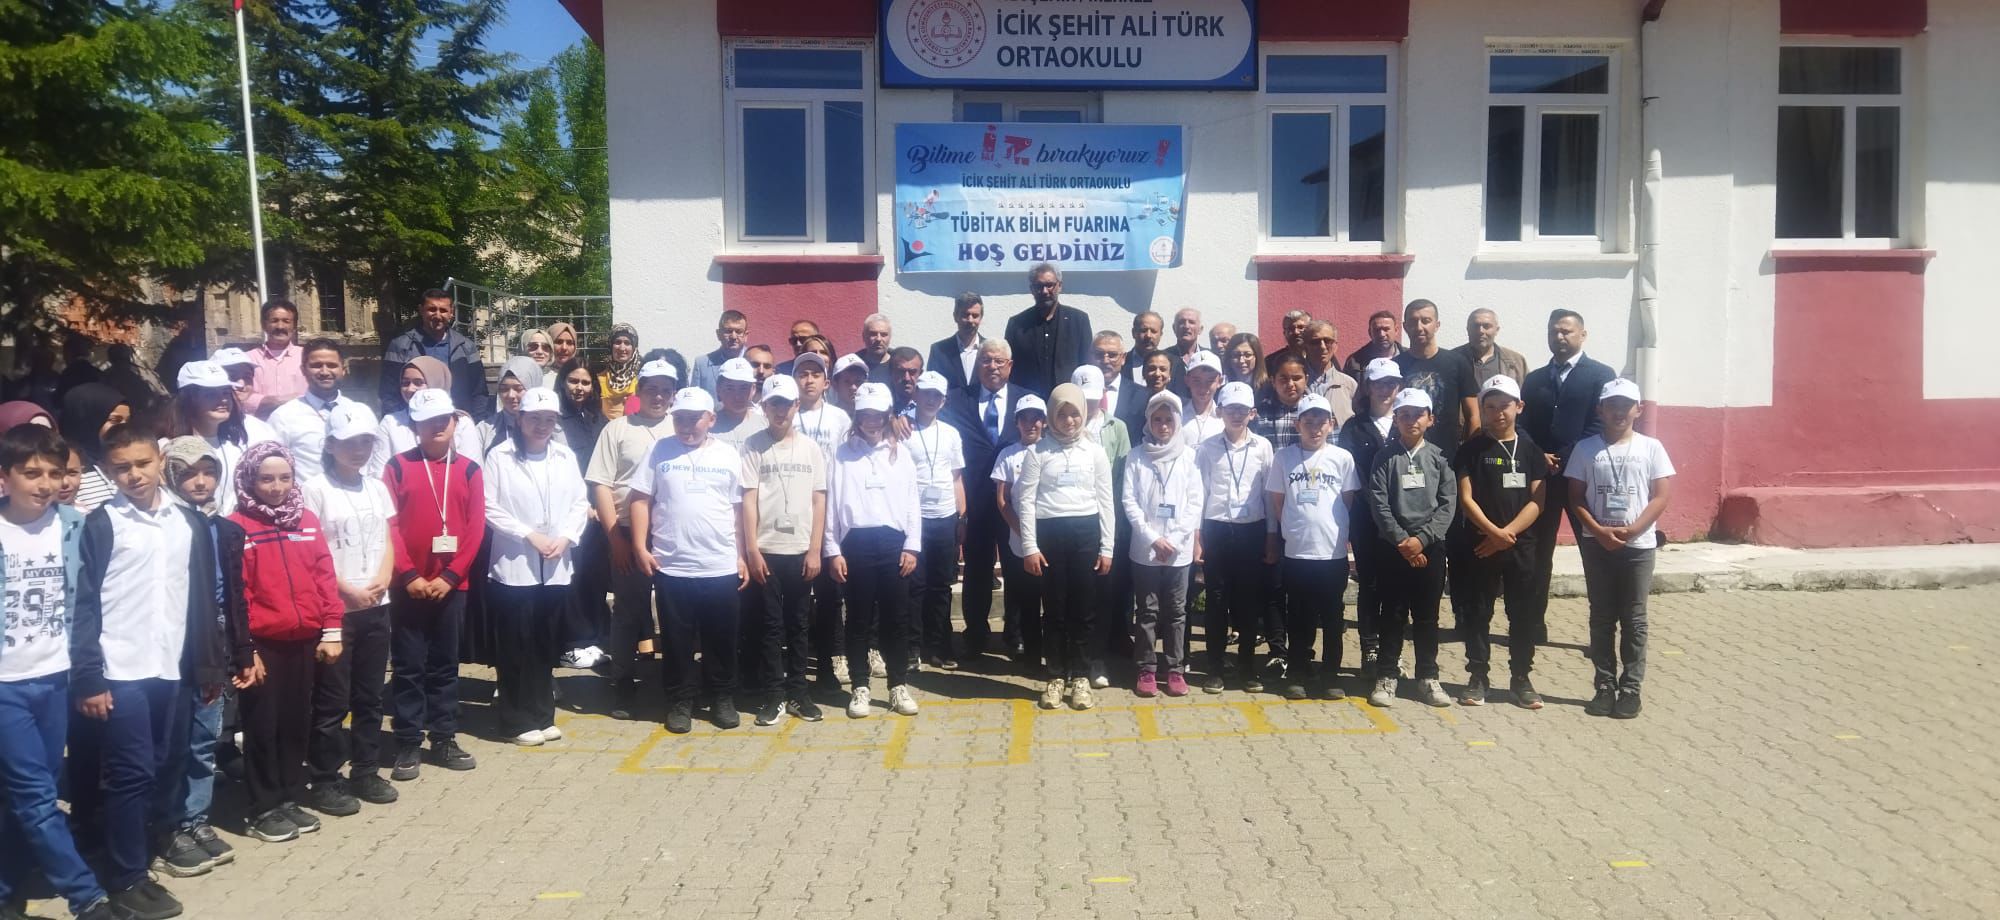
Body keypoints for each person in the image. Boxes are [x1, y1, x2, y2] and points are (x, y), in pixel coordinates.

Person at [69, 424, 235, 919]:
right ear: (108, 471)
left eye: (142, 463)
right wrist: (89, 675)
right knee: (130, 772)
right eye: (122, 467)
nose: (134, 475)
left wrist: (209, 665)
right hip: (121, 668)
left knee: (166, 761)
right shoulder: (102, 524)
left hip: (172, 667)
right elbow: (84, 605)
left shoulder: (187, 522)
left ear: (160, 462)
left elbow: (201, 599)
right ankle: (126, 877)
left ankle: (146, 847)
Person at [0, 426, 125, 920]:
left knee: (29, 794)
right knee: (36, 797)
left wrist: (88, 673)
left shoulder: (74, 525)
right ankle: (87, 898)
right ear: (4, 477)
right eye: (31, 473)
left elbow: (89, 604)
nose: (46, 483)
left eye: (55, 473)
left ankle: (5, 889)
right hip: (5, 685)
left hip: (55, 679)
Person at [228, 443, 347, 842]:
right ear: (249, 480)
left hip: (304, 639)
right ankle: (262, 808)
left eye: (284, 477)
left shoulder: (306, 520)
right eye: (266, 479)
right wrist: (247, 649)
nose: (276, 487)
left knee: (297, 723)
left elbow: (323, 576)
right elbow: (237, 594)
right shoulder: (236, 526)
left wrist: (331, 629)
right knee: (263, 726)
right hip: (263, 645)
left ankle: (288, 797)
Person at [151, 437, 257, 878]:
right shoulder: (163, 524)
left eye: (208, 472)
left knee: (203, 739)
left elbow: (234, 595)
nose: (200, 481)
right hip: (176, 646)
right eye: (188, 472)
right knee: (170, 743)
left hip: (215, 644)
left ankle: (194, 819)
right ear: (169, 475)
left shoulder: (225, 529)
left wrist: (242, 650)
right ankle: (165, 829)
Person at [629, 387, 751, 733]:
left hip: (719, 565)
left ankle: (722, 697)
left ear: (710, 419)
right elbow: (640, 499)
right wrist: (639, 546)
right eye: (679, 418)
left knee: (721, 639)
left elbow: (737, 509)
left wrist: (741, 555)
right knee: (676, 640)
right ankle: (680, 701)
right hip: (673, 565)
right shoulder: (659, 450)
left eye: (694, 419)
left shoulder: (728, 454)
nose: (685, 425)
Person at [298, 404, 400, 812]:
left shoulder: (376, 486)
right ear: (330, 445)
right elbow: (314, 550)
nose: (358, 450)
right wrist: (347, 591)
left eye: (365, 442)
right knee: (332, 699)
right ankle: (324, 777)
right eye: (349, 443)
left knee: (370, 696)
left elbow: (387, 537)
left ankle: (366, 770)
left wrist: (385, 577)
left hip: (376, 605)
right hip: (336, 610)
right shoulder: (314, 489)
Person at [380, 389, 484, 780]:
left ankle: (444, 737)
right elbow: (390, 524)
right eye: (428, 421)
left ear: (455, 423)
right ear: (415, 426)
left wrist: (451, 576)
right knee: (408, 667)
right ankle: (408, 741)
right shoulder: (397, 467)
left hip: (451, 587)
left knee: (445, 665)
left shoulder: (470, 470)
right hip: (408, 586)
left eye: (444, 419)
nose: (437, 426)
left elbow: (475, 528)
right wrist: (408, 574)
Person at [482, 388, 589, 746]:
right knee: (515, 645)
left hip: (555, 564)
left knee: (544, 643)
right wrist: (528, 535)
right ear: (519, 419)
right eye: (534, 419)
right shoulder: (500, 456)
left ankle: (543, 715)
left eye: (549, 419)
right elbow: (489, 506)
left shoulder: (564, 456)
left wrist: (567, 537)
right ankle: (515, 721)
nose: (542, 425)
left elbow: (579, 502)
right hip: (514, 567)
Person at [1567, 379, 1674, 720]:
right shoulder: (1585, 449)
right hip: (1597, 544)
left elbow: (1661, 496)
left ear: (1638, 410)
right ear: (1600, 409)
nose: (1619, 412)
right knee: (1601, 617)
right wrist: (1598, 531)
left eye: (1626, 406)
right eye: (1612, 405)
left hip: (1637, 546)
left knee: (1634, 618)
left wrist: (1635, 529)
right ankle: (1604, 685)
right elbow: (1575, 497)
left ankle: (1631, 689)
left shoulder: (1651, 448)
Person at [584, 360, 678, 719]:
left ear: (673, 394)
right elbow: (601, 486)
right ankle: (622, 681)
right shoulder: (618, 429)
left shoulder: (681, 426)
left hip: (672, 534)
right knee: (627, 610)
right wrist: (616, 541)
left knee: (675, 610)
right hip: (625, 532)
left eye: (666, 390)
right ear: (639, 391)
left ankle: (675, 680)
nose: (659, 396)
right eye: (652, 388)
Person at [1449, 375, 1549, 708]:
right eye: (1490, 406)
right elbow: (1466, 499)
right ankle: (1478, 677)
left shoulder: (1531, 450)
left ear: (1519, 406)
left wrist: (1508, 535)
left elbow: (1537, 501)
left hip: (1521, 546)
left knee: (1522, 614)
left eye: (1505, 405)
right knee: (1478, 612)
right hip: (1481, 545)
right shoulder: (1471, 449)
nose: (1498, 413)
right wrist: (1493, 533)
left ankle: (1521, 678)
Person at [824, 383, 921, 719]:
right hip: (856, 544)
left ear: (888, 415)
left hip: (894, 544)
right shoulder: (841, 454)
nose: (871, 421)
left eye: (878, 415)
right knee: (858, 619)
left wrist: (912, 545)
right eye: (865, 415)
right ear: (857, 416)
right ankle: (860, 686)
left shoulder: (901, 454)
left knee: (897, 619)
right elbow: (831, 506)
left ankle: (897, 685)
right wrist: (832, 549)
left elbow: (912, 502)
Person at [1017, 383, 1115, 711]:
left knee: (1084, 610)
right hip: (1050, 536)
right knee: (1055, 610)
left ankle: (1081, 677)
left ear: (1083, 414)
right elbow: (1026, 501)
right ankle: (1056, 675)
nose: (1069, 420)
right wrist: (1030, 547)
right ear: (1051, 416)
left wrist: (1107, 547)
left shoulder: (1095, 452)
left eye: (1075, 413)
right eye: (1062, 414)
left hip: (1086, 535)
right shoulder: (1038, 452)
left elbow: (1106, 501)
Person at [739, 375, 827, 725]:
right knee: (771, 626)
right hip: (767, 550)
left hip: (801, 550)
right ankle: (773, 695)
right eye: (773, 404)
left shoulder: (811, 448)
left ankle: (798, 694)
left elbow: (819, 500)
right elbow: (748, 501)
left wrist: (815, 549)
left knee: (799, 625)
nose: (780, 411)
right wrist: (752, 550)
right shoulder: (753, 446)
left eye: (786, 404)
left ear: (796, 406)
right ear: (764, 406)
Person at [1263, 393, 1362, 701]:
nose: (1315, 427)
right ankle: (1297, 671)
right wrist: (1294, 528)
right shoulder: (1284, 458)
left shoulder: (1342, 458)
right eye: (1308, 421)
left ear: (1331, 424)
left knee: (1332, 617)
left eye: (1321, 421)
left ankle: (1330, 675)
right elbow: (1278, 502)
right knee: (1299, 616)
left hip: (1331, 552)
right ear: (1298, 425)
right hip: (1297, 552)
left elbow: (1347, 501)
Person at [1365, 389, 1457, 709]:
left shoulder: (1440, 458)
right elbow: (1378, 503)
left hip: (1430, 548)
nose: (1411, 420)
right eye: (1404, 414)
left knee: (1427, 615)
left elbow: (1447, 503)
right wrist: (1402, 540)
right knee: (1392, 614)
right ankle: (1387, 675)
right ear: (1396, 419)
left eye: (1418, 414)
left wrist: (1423, 539)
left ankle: (1428, 676)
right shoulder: (1384, 457)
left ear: (1430, 419)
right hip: (1393, 548)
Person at [1521, 309, 1617, 613]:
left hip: (1582, 478)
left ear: (1582, 335)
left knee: (1593, 550)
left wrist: (1563, 457)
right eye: (1554, 332)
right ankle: (1532, 623)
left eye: (1566, 331)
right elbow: (1522, 423)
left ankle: (1603, 623)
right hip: (1543, 479)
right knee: (1538, 552)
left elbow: (1599, 423)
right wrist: (1538, 454)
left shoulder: (1601, 375)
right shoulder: (1535, 379)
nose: (1559, 337)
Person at [943, 341, 1024, 660]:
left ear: (1010, 365)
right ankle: (975, 633)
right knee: (976, 570)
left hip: (1013, 503)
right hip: (974, 501)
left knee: (1016, 568)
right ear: (977, 365)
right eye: (986, 360)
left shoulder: (1025, 400)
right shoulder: (956, 399)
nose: (993, 366)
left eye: (999, 361)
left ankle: (1015, 634)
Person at [1122, 391, 1203, 699]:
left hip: (1178, 551)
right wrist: (1153, 538)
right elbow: (1129, 501)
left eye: (1169, 419)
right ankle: (1146, 669)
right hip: (1146, 549)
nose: (1163, 425)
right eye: (1157, 419)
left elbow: (1195, 502)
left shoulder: (1190, 456)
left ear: (1177, 421)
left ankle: (1175, 670)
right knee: (1147, 611)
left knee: (1177, 612)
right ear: (1149, 421)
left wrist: (1176, 539)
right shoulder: (1136, 455)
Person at [1194, 382, 1272, 693]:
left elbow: (1268, 496)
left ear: (1252, 413)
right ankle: (1214, 667)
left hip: (1251, 529)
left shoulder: (1263, 447)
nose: (1237, 415)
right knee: (1216, 599)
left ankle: (1247, 667)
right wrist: (1197, 537)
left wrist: (1271, 536)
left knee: (1248, 600)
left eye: (1242, 410)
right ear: (1220, 412)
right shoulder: (1207, 448)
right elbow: (1199, 494)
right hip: (1216, 528)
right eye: (1231, 410)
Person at [1337, 358, 1403, 683]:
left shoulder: (1407, 422)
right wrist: (1378, 508)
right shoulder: (1353, 427)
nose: (1385, 389)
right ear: (1367, 387)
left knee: (1397, 587)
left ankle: (1393, 652)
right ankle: (1370, 648)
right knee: (1370, 585)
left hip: (1403, 522)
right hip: (1366, 520)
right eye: (1379, 383)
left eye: (1391, 383)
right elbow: (1352, 476)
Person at [1074, 365, 1131, 689]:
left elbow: (1122, 477)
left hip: (1107, 520)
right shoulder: (1063, 427)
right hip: (1074, 519)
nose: (1089, 403)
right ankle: (1070, 657)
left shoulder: (1116, 427)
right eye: (1083, 398)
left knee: (1103, 592)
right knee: (1073, 592)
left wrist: (1113, 523)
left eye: (1094, 398)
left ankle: (1096, 657)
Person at [904, 371, 965, 670]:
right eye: (926, 393)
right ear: (916, 394)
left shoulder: (951, 433)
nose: (931, 399)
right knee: (914, 585)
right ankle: (912, 646)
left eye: (937, 395)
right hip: (913, 518)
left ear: (944, 400)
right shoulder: (903, 429)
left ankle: (939, 644)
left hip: (944, 516)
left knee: (941, 585)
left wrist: (962, 516)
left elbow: (956, 478)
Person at [554, 357, 611, 665]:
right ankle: (573, 642)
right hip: (572, 510)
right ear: (563, 383)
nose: (579, 387)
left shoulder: (599, 420)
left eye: (585, 382)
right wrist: (583, 504)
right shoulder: (556, 420)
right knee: (573, 577)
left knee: (595, 574)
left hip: (600, 512)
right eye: (573, 381)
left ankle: (594, 638)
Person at [168, 360, 281, 513]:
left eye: (226, 393)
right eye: (210, 394)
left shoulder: (238, 445)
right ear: (189, 399)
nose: (223, 400)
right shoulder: (168, 448)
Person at [989, 396, 1047, 671]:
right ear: (1016, 423)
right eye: (1025, 418)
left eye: (1036, 418)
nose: (1031, 424)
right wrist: (1023, 532)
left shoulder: (1052, 450)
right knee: (1024, 595)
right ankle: (1025, 646)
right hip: (1019, 538)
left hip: (1050, 536)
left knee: (1052, 595)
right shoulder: (1008, 454)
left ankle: (1053, 647)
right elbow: (1002, 500)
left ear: (1045, 422)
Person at [379, 289, 488, 422]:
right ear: (421, 310)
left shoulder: (466, 347)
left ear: (451, 312)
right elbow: (388, 392)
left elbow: (479, 391)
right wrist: (398, 424)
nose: (437, 315)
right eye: (432, 309)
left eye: (443, 310)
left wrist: (476, 423)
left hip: (456, 422)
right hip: (413, 423)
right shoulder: (401, 346)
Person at [1393, 299, 1480, 458]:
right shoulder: (1395, 366)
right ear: (1405, 327)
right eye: (1413, 322)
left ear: (1437, 325)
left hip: (1448, 456)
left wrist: (1468, 455)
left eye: (1426, 321)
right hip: (1403, 455)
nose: (1419, 327)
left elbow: (1473, 415)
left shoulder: (1457, 363)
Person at [370, 357, 484, 476]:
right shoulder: (391, 422)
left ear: (437, 383)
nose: (410, 389)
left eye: (418, 383)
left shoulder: (461, 423)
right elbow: (378, 474)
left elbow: (473, 472)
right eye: (405, 383)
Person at [266, 338, 352, 483]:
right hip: (306, 496)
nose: (324, 372)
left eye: (332, 365)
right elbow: (271, 469)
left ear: (343, 369)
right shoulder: (284, 417)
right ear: (303, 370)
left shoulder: (359, 412)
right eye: (316, 366)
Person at [1004, 262, 1092, 396]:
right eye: (1038, 286)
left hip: (1067, 399)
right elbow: (1009, 367)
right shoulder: (1016, 324)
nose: (1044, 291)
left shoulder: (1079, 321)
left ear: (1059, 286)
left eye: (1049, 285)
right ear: (1032, 289)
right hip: (1028, 401)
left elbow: (1086, 365)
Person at [56, 383, 130, 514]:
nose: (124, 428)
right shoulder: (64, 469)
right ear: (89, 419)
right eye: (115, 420)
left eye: (127, 421)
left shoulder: (130, 461)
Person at [242, 299, 308, 417]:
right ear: (264, 325)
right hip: (261, 424)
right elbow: (240, 396)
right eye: (274, 321)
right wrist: (274, 401)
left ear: (294, 326)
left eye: (286, 321)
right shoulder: (247, 359)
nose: (280, 326)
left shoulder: (307, 356)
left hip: (301, 422)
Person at [477, 357, 547, 453]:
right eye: (504, 389)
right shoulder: (485, 429)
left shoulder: (550, 428)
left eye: (518, 389)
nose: (510, 395)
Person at [1299, 320, 1360, 424]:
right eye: (1315, 342)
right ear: (1305, 346)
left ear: (1335, 346)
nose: (1322, 346)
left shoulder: (1349, 385)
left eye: (1327, 341)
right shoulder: (1294, 383)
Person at [1453, 309, 1529, 388]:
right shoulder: (1451, 360)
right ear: (1468, 329)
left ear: (1496, 330)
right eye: (1475, 326)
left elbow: (1527, 392)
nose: (1480, 331)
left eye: (1486, 326)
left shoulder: (1516, 361)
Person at [928, 293, 987, 391]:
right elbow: (932, 387)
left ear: (981, 318)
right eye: (965, 315)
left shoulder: (990, 350)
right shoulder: (939, 351)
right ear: (955, 316)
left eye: (975, 316)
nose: (970, 320)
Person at [689, 310, 750, 397]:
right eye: (728, 331)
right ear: (719, 334)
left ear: (746, 335)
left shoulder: (755, 363)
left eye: (738, 331)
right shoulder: (702, 364)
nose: (733, 336)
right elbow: (694, 400)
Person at [710, 357, 766, 448]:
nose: (737, 396)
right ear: (718, 389)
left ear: (753, 389)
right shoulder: (707, 427)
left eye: (743, 388)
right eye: (730, 388)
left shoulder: (765, 426)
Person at [1090, 332, 1137, 426]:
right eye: (1099, 354)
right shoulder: (1077, 391)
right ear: (1090, 356)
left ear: (1123, 358)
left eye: (1112, 355)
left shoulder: (1141, 396)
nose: (1105, 361)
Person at [1179, 352, 1225, 448]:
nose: (1203, 388)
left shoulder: (1226, 419)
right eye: (1197, 381)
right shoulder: (1177, 417)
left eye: (1210, 381)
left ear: (1220, 382)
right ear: (1187, 380)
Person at [597, 324, 642, 419]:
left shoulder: (641, 378)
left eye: (627, 343)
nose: (622, 348)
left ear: (634, 347)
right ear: (611, 346)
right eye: (617, 342)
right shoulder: (599, 378)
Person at [1342, 310, 1404, 379]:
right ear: (1370, 333)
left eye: (1386, 329)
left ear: (1396, 330)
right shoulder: (1355, 362)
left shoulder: (1409, 358)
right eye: (1377, 330)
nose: (1381, 334)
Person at [1264, 310, 1313, 377]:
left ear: (1310, 330)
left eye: (1301, 327)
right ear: (1285, 333)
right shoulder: (1271, 361)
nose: (1296, 332)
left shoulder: (1319, 357)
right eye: (1290, 328)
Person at [856, 314, 896, 385]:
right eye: (873, 334)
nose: (878, 339)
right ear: (863, 336)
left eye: (884, 334)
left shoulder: (899, 365)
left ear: (890, 337)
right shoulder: (854, 365)